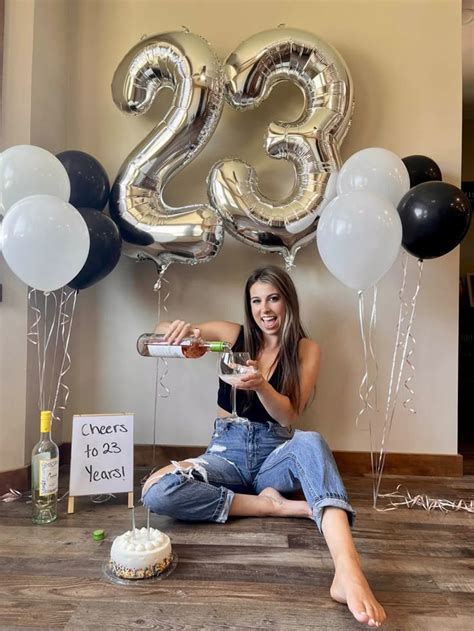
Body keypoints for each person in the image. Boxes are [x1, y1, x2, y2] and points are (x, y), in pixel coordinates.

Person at [142, 265, 386, 628]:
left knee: (311, 441)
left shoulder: (306, 349)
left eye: (273, 298)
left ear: (288, 302)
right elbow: (161, 331)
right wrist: (179, 331)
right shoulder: (233, 335)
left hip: (275, 452)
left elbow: (289, 415)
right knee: (156, 490)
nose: (264, 309)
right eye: (256, 301)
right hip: (225, 454)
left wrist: (261, 386)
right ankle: (271, 506)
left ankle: (348, 571)